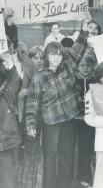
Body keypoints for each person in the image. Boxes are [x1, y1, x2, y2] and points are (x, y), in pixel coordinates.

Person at [25, 26, 89, 188]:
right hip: (51, 123)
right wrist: (30, 124)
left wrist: (83, 31)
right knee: (50, 158)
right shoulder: (38, 78)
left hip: (68, 119)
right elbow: (32, 103)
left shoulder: (67, 69)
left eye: (59, 54)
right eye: (53, 54)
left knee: (67, 157)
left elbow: (77, 52)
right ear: (47, 56)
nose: (57, 57)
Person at [19, 46, 44, 188]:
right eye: (35, 58)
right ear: (30, 59)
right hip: (29, 120)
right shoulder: (27, 74)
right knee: (30, 155)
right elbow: (20, 94)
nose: (39, 61)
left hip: (43, 119)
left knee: (38, 157)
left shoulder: (45, 74)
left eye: (41, 58)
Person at [75, 53, 97, 187]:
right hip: (79, 119)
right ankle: (83, 176)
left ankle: (96, 175)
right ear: (77, 66)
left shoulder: (96, 81)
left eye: (88, 65)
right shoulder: (74, 80)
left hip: (93, 119)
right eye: (82, 65)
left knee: (94, 147)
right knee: (82, 147)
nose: (85, 68)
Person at [0, 54, 22, 188]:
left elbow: (15, 79)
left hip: (7, 145)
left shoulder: (8, 93)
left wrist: (8, 62)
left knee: (8, 182)